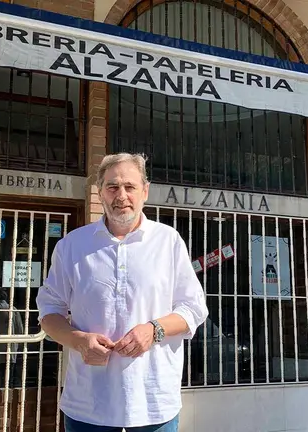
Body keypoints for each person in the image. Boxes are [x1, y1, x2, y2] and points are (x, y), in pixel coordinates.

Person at [36, 152, 209, 432]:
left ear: (145, 191)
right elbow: (49, 311)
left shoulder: (168, 242)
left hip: (153, 406)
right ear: (100, 192)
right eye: (112, 187)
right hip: (87, 407)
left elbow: (194, 308)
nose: (121, 195)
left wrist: (154, 330)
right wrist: (79, 340)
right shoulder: (71, 246)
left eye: (130, 187)